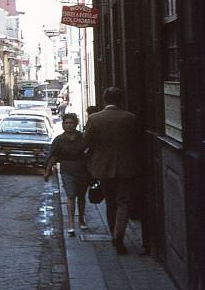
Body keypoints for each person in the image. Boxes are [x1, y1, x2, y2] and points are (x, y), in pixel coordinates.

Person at [83, 87, 140, 254]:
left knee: (110, 203)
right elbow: (136, 142)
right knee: (123, 203)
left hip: (103, 168)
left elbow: (86, 143)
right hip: (126, 167)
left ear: (104, 99)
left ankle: (114, 235)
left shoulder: (94, 119)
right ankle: (118, 236)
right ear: (120, 100)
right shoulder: (130, 118)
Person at [44, 113, 89, 236]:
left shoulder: (82, 137)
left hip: (82, 170)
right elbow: (53, 155)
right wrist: (47, 170)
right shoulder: (59, 139)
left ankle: (81, 219)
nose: (69, 125)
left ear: (76, 124)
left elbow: (90, 152)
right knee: (70, 195)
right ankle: (70, 224)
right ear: (63, 124)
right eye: (66, 123)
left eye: (71, 123)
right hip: (67, 170)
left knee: (81, 196)